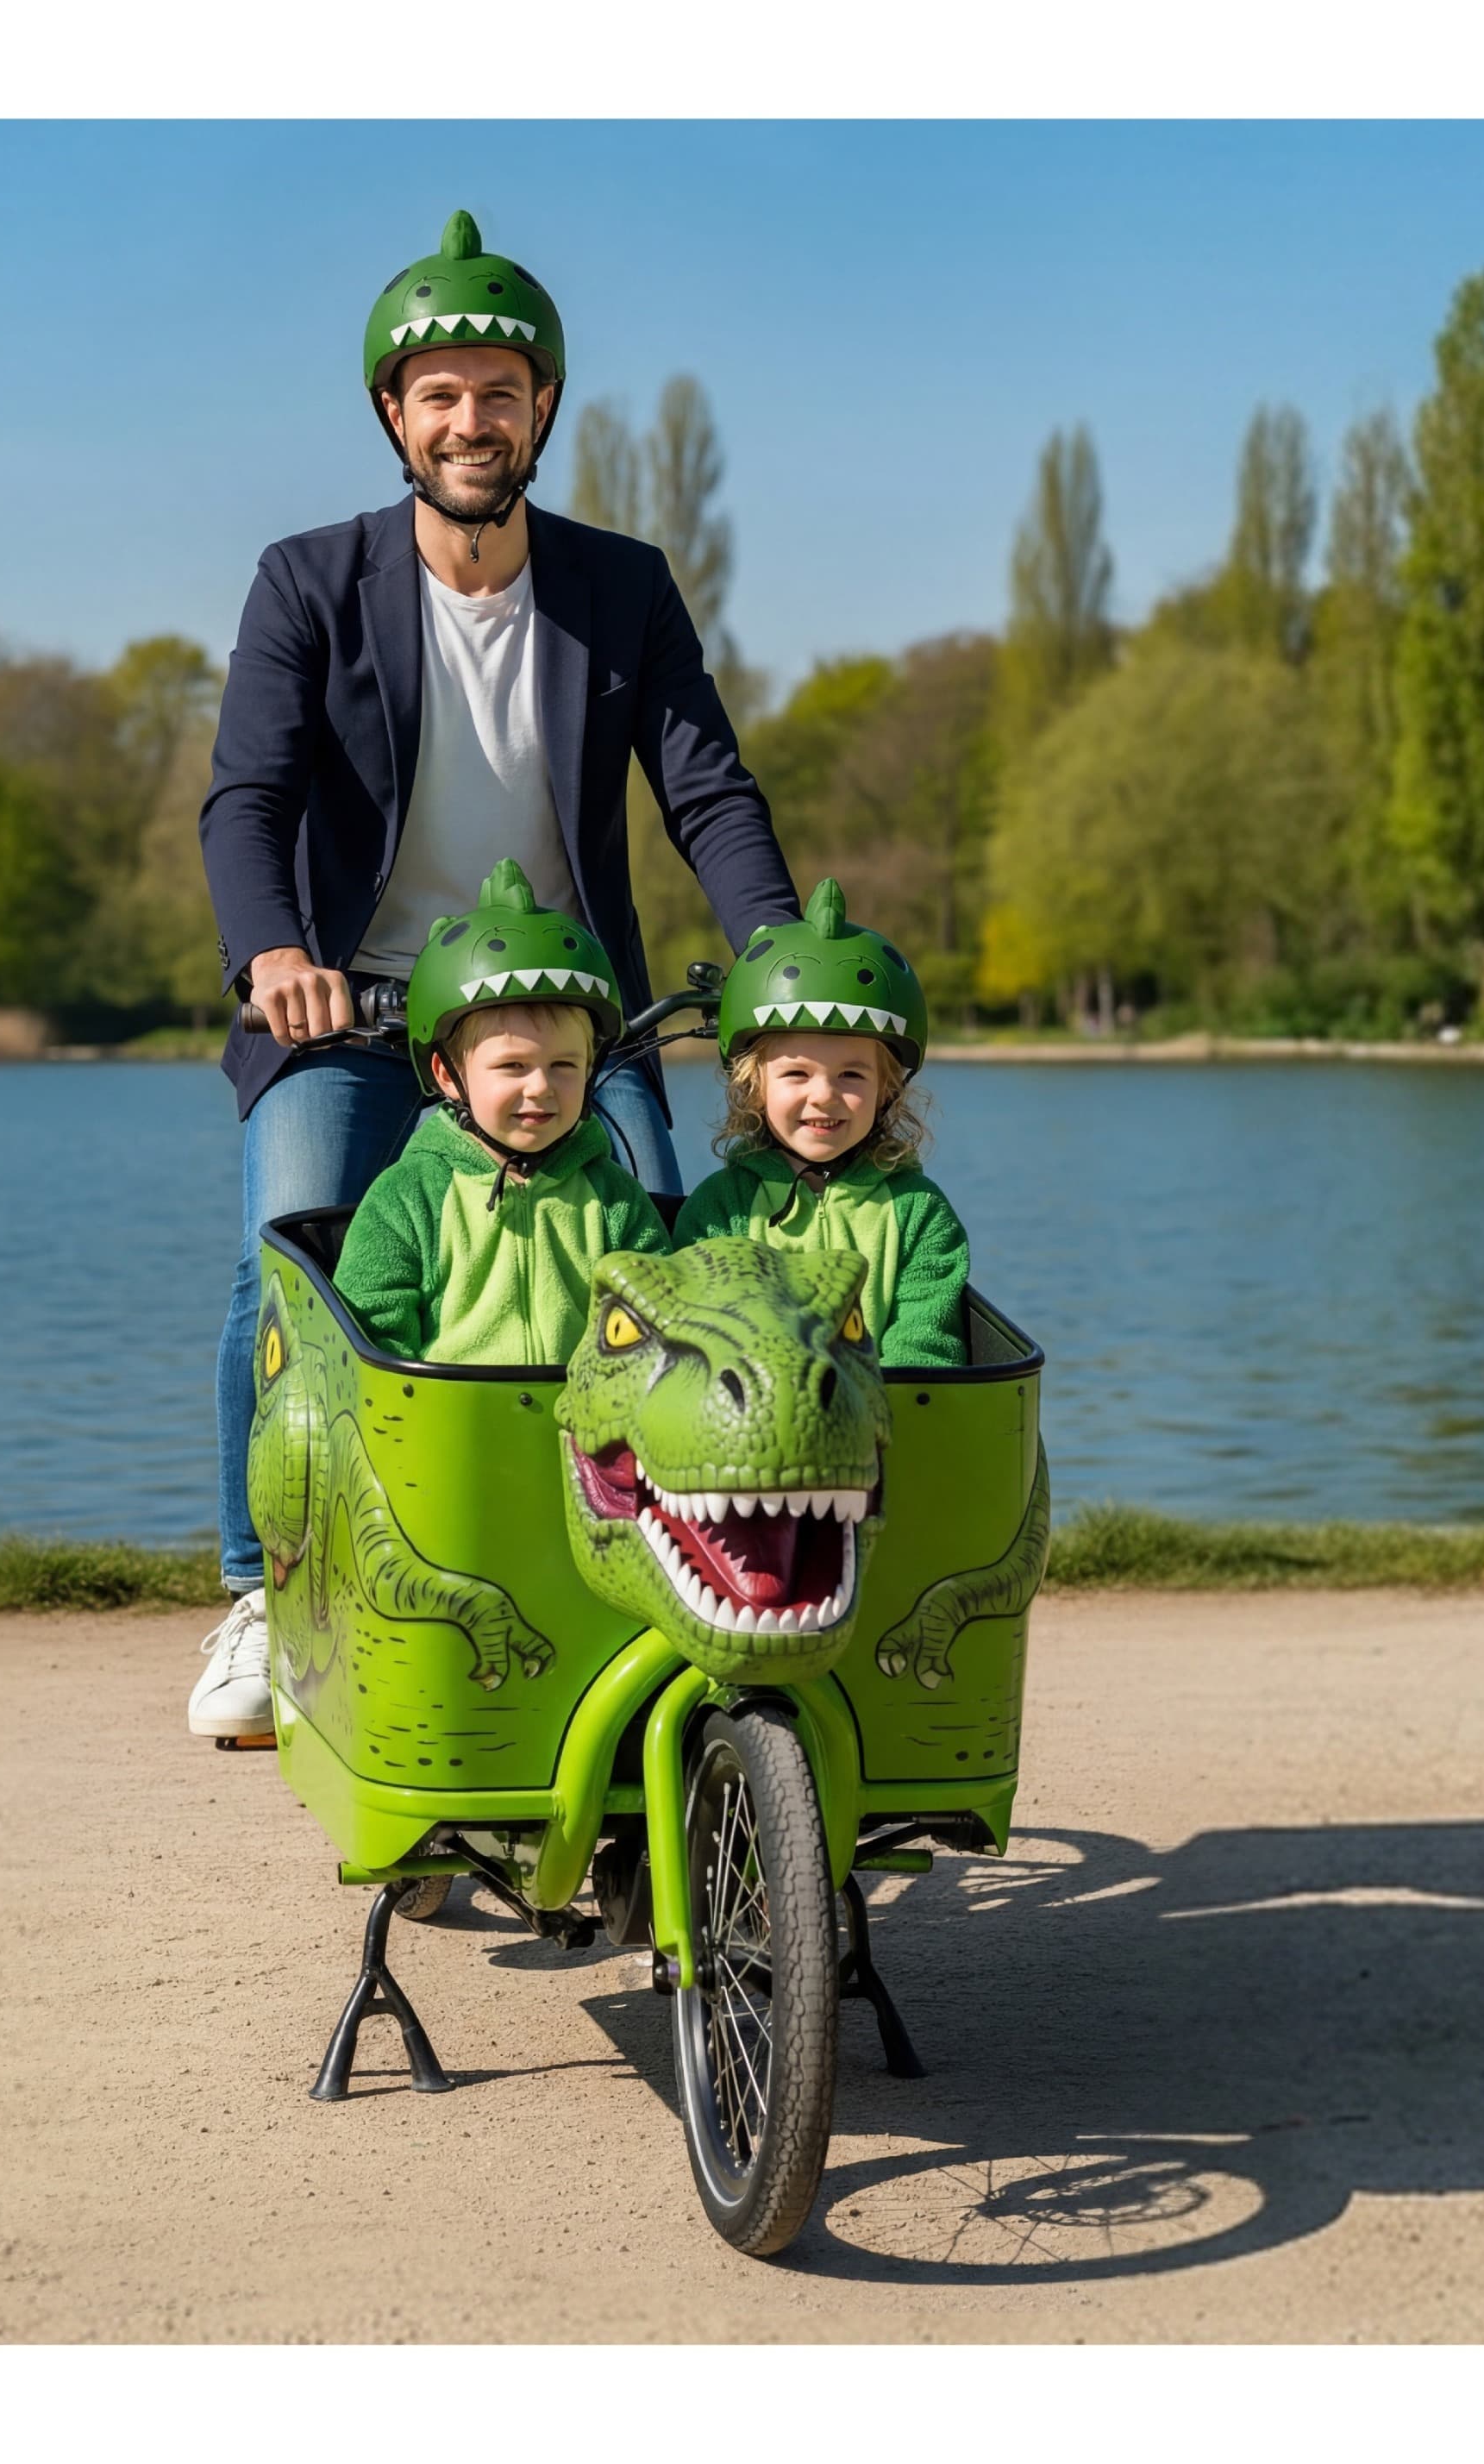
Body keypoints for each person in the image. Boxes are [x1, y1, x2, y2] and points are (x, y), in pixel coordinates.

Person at [189, 212, 799, 1742]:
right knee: (299, 1258)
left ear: (544, 409)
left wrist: (776, 950)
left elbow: (706, 791)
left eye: (502, 390)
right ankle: (264, 1586)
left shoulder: (622, 589)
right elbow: (244, 800)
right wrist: (274, 953)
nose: (473, 420)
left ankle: (671, 1551)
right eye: (441, 393)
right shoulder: (308, 584)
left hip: (568, 1022)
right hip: (358, 1008)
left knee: (670, 1263)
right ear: (395, 418)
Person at [323, 868, 672, 1368]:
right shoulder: (406, 1198)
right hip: (447, 1433)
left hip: (580, 1433)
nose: (541, 1087)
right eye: (513, 1066)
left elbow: (657, 1323)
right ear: (447, 1075)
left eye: (565, 1066)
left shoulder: (615, 1199)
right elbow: (374, 1336)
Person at [675, 910, 977, 1370]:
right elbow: (697, 1340)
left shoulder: (920, 1212)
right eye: (797, 1073)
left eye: (851, 1075)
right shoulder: (720, 1209)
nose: (825, 1096)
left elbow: (925, 1345)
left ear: (887, 1087)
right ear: (755, 1086)